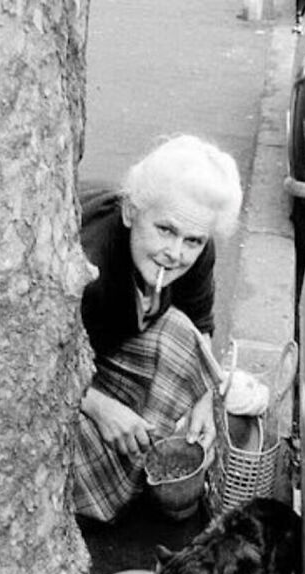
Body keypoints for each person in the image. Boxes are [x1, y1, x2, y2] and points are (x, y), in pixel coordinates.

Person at [72, 134, 243, 522]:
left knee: (180, 336)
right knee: (72, 441)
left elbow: (199, 326)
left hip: (105, 338)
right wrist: (100, 407)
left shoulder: (193, 249)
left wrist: (205, 398)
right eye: (165, 229)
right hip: (52, 362)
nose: (176, 253)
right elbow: (33, 369)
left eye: (192, 240)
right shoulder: (88, 270)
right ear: (131, 212)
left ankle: (140, 460)